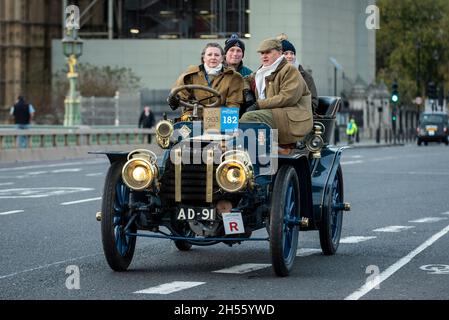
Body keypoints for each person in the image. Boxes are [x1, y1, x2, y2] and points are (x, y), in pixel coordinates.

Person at [240, 38, 313, 148]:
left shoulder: (289, 70)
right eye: (262, 53)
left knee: (249, 118)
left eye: (268, 52)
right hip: (275, 113)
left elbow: (287, 97)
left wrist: (258, 104)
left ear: (279, 53)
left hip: (289, 116)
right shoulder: (262, 71)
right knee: (234, 116)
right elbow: (245, 80)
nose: (264, 56)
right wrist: (247, 93)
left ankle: (258, 154)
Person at [168, 42, 244, 118]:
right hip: (194, 115)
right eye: (209, 54)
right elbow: (180, 95)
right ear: (204, 58)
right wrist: (175, 99)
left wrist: (220, 117)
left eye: (217, 55)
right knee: (182, 127)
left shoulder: (233, 77)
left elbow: (233, 105)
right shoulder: (190, 74)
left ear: (222, 58)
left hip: (221, 116)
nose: (213, 57)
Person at [278, 34, 319, 114]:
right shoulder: (272, 74)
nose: (290, 56)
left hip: (300, 115)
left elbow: (313, 103)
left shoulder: (305, 77)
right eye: (285, 53)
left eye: (292, 53)